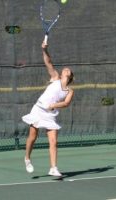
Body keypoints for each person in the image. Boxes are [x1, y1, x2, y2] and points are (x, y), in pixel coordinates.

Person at [22, 40, 74, 177]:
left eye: (69, 70)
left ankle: (53, 168)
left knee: (53, 141)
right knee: (33, 137)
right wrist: (44, 50)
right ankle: (27, 157)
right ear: (62, 74)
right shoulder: (55, 77)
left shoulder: (69, 90)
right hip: (38, 110)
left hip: (50, 114)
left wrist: (53, 105)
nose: (67, 69)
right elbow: (48, 62)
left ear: (69, 76)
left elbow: (66, 103)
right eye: (65, 69)